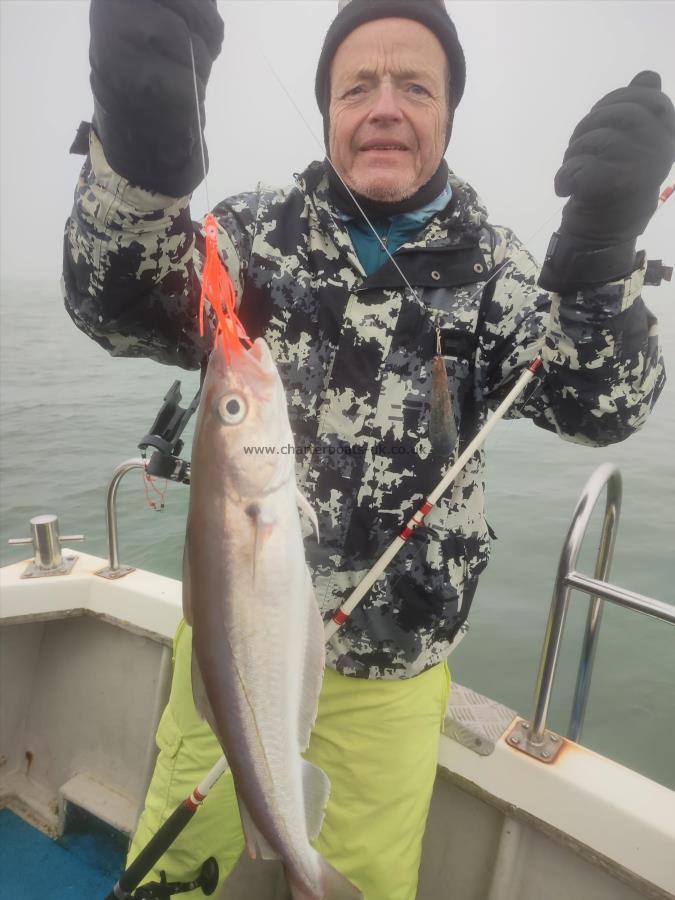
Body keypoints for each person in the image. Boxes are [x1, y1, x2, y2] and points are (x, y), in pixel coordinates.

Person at [62, 1, 673, 896]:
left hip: (393, 678)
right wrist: (140, 161)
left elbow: (600, 407)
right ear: (327, 111)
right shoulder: (251, 236)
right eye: (357, 86)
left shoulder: (498, 274)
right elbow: (111, 302)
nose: (384, 106)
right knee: (172, 880)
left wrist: (596, 264)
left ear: (446, 116)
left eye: (414, 86)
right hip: (227, 666)